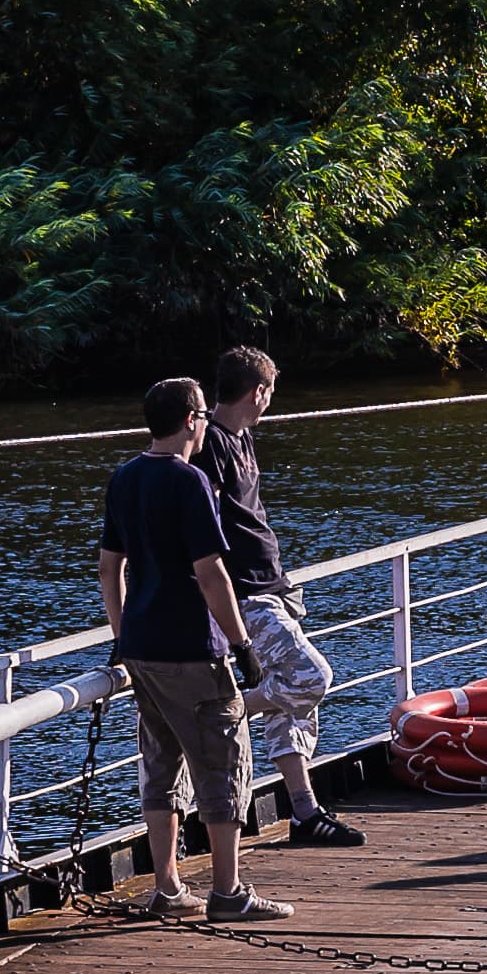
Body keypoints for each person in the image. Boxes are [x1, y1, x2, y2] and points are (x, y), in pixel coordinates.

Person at [98, 376, 294, 923]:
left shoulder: (125, 476)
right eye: (204, 415)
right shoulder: (190, 482)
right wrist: (243, 645)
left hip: (142, 650)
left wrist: (122, 633)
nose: (207, 423)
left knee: (161, 766)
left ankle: (167, 886)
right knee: (224, 761)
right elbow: (211, 574)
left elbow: (110, 566)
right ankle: (228, 893)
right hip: (191, 648)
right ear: (191, 419)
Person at [194, 347, 365, 848]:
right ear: (260, 392)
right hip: (246, 592)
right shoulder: (212, 446)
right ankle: (219, 711)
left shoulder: (240, 438)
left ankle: (304, 812)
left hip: (272, 585)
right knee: (310, 676)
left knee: (292, 707)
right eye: (271, 393)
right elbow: (203, 532)